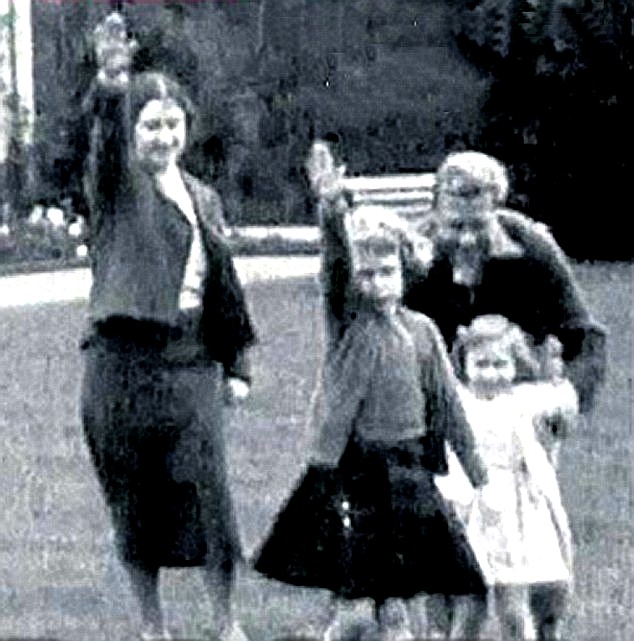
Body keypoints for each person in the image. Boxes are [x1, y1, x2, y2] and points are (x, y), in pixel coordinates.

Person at [79, 14, 256, 641]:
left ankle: (225, 623)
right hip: (120, 363)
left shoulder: (203, 196)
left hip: (189, 362)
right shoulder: (114, 189)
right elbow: (100, 137)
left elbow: (224, 288)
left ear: (187, 127)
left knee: (212, 499)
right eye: (149, 124)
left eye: (171, 122)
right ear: (132, 133)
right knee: (134, 503)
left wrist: (237, 364)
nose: (162, 135)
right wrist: (109, 83)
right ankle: (153, 630)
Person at [254, 171, 489, 641]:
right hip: (355, 471)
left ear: (405, 272)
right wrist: (332, 212)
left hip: (409, 472)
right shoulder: (348, 322)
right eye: (367, 274)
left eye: (386, 272)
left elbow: (446, 405)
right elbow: (336, 265)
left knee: (402, 610)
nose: (376, 283)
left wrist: (479, 472)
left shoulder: (423, 332)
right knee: (357, 611)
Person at [402, 150, 606, 420]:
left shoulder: (531, 248)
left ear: (496, 213)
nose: (467, 240)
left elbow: (585, 337)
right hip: (429, 400)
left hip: (515, 397)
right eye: (455, 226)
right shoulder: (411, 255)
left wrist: (565, 398)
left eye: (478, 226)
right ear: (435, 215)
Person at [439, 315, 577, 640]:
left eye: (500, 364)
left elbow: (563, 406)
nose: (490, 374)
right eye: (481, 364)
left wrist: (552, 370)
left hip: (515, 516)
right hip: (470, 508)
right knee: (468, 608)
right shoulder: (457, 402)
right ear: (463, 363)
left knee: (514, 608)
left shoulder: (524, 402)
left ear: (516, 365)